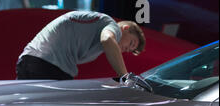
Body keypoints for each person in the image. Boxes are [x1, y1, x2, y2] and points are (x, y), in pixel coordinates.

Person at [16, 11, 146, 80]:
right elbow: (107, 39)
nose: (127, 49)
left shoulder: (97, 23)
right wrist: (125, 77)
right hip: (49, 66)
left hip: (29, 59)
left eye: (130, 50)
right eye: (131, 43)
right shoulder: (113, 27)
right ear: (125, 28)